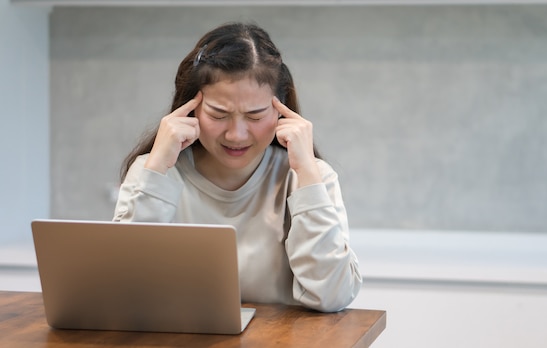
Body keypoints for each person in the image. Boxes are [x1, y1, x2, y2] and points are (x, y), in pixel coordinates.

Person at [113, 22, 362, 312]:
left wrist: (307, 174)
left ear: (283, 111)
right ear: (190, 108)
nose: (236, 134)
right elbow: (123, 288)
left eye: (255, 116)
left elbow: (334, 295)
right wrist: (156, 170)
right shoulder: (152, 170)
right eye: (219, 114)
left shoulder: (312, 176)